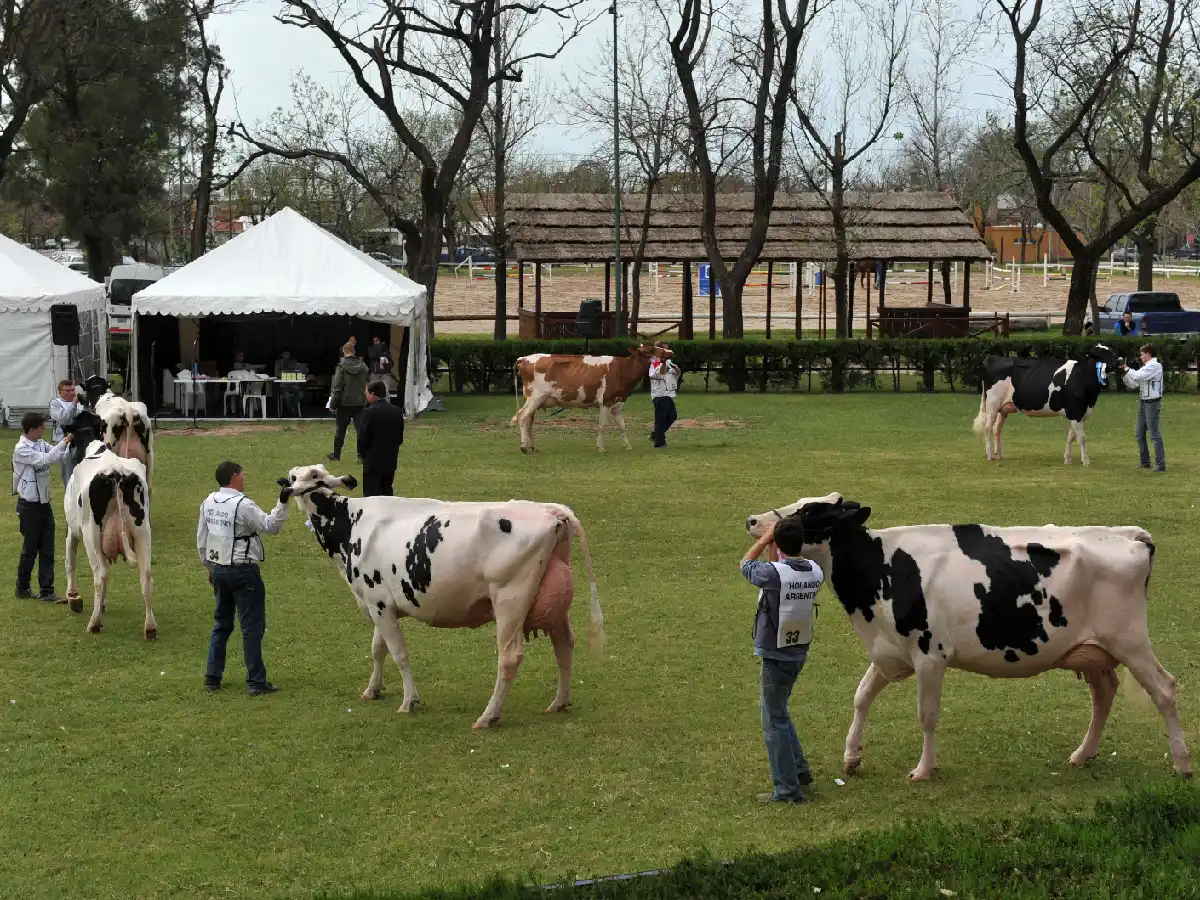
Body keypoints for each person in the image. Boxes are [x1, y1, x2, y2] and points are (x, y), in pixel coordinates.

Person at [741, 515, 824, 804]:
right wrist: (775, 544)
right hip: (798, 649)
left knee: (773, 720)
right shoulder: (814, 570)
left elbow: (746, 566)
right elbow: (777, 567)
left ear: (778, 544)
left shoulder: (773, 575)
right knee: (780, 712)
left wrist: (765, 539)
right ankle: (799, 770)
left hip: (775, 653)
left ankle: (787, 790)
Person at [197, 460, 290, 695]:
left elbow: (202, 540)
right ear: (234, 477)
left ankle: (212, 677)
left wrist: (209, 567)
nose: (244, 477)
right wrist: (283, 500)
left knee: (221, 624)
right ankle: (256, 682)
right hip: (243, 570)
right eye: (242, 474)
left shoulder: (208, 502)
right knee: (251, 627)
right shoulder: (243, 504)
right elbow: (271, 526)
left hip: (219, 568)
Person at [12, 413, 72, 602]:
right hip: (29, 506)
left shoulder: (40, 443)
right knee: (30, 549)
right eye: (41, 427)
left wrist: (71, 442)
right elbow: (45, 460)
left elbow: (57, 454)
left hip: (44, 504)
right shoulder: (21, 448)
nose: (43, 429)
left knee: (47, 548)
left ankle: (47, 591)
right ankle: (22, 588)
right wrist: (65, 440)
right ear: (31, 430)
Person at [1120, 344, 1165, 472]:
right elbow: (1134, 383)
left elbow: (1137, 376)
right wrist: (1123, 375)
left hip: (1152, 403)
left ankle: (1160, 464)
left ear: (1148, 354)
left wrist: (1126, 368)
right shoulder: (1146, 368)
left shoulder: (1155, 366)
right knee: (1139, 434)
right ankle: (1145, 462)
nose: (1140, 356)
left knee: (1154, 434)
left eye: (1142, 354)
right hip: (1143, 402)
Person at [357, 380, 405, 497]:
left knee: (371, 493)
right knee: (387, 490)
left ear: (373, 395)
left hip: (373, 460)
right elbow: (399, 438)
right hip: (390, 458)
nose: (366, 397)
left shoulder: (368, 413)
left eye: (367, 394)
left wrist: (362, 454)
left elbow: (363, 438)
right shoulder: (397, 412)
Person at [328, 341, 369, 462]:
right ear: (354, 352)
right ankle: (361, 456)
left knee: (340, 430)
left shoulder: (341, 367)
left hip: (344, 403)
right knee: (361, 431)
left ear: (344, 352)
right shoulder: (363, 366)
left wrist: (333, 404)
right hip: (360, 402)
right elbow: (368, 382)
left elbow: (337, 387)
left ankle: (336, 455)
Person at [48, 380, 83, 486]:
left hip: (83, 441)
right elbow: (65, 419)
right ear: (60, 392)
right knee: (70, 476)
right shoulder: (55, 403)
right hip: (66, 443)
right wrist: (73, 403)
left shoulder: (80, 402)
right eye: (67, 391)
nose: (72, 393)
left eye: (73, 390)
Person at [648, 343, 680, 449]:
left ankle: (656, 435)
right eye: (664, 350)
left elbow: (676, 374)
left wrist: (677, 369)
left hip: (669, 394)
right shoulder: (655, 364)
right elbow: (661, 374)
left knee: (673, 416)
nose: (667, 352)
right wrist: (664, 362)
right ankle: (659, 443)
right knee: (660, 420)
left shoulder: (670, 363)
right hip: (660, 396)